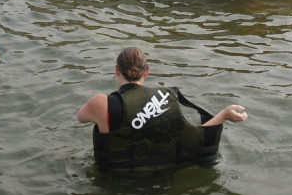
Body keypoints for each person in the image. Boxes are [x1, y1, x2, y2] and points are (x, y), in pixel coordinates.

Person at [77, 47, 248, 173]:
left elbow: (81, 117)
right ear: (147, 72)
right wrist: (224, 115)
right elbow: (196, 138)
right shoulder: (168, 97)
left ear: (116, 70)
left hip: (117, 180)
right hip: (163, 179)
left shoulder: (101, 103)